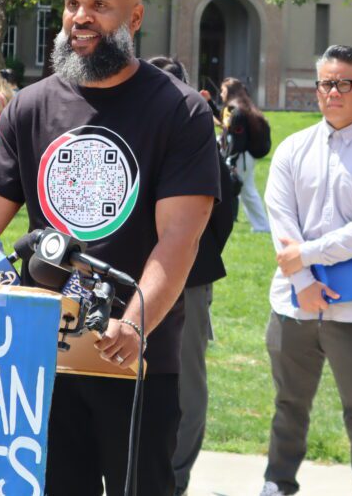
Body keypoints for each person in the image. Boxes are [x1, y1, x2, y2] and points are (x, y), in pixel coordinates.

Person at [0, 0, 219, 496]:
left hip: (132, 354)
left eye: (100, 6)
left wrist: (133, 325)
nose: (80, 17)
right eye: (72, 4)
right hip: (43, 350)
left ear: (134, 18)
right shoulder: (30, 108)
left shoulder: (179, 112)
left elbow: (180, 236)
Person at [260, 44, 352, 496]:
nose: (334, 92)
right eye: (326, 82)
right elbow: (279, 217)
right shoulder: (292, 149)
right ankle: (277, 483)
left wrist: (306, 256)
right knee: (289, 403)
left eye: (345, 83)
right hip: (293, 304)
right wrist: (302, 281)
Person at [147, 55, 235, 496]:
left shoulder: (196, 136)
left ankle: (176, 476)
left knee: (185, 379)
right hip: (130, 281)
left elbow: (224, 208)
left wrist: (197, 261)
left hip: (190, 282)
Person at [220, 77, 270, 232]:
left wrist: (231, 161)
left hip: (241, 157)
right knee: (248, 191)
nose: (221, 94)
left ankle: (261, 226)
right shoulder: (240, 108)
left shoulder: (237, 111)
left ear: (229, 91)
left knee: (243, 191)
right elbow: (225, 125)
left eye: (223, 91)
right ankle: (262, 226)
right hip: (245, 156)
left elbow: (237, 139)